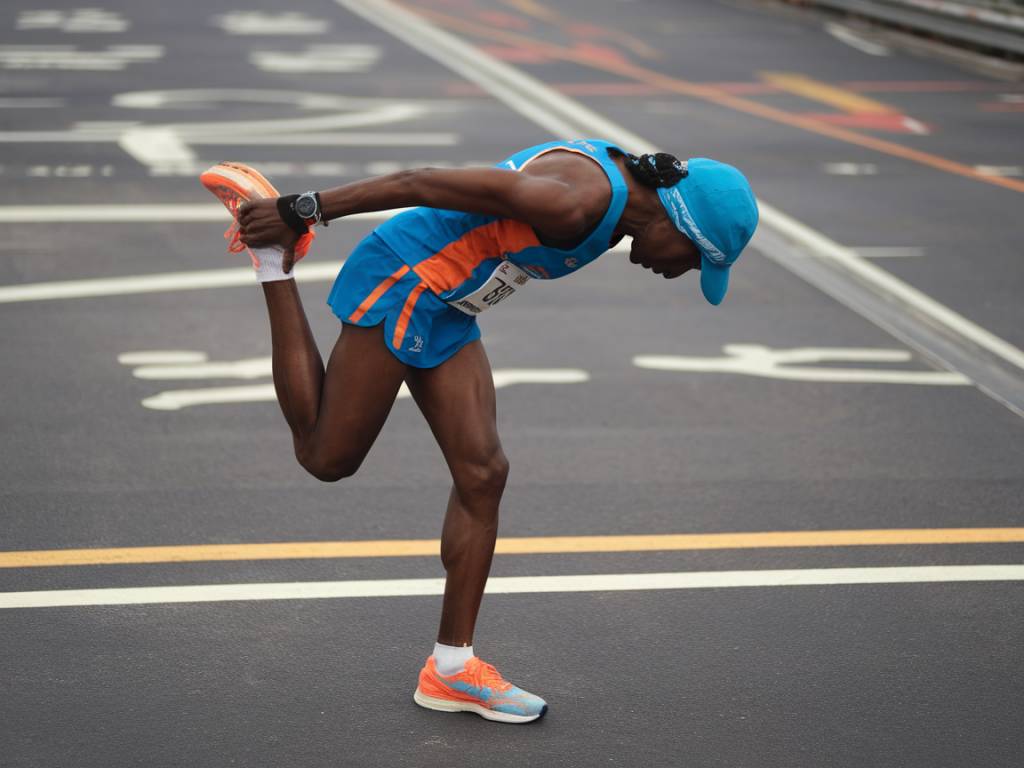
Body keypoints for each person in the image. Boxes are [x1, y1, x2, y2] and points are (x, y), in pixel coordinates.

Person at [200, 138, 758, 724]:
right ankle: (271, 261)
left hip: (451, 303)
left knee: (483, 472)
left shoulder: (618, 214)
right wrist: (302, 210)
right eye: (694, 258)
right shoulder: (573, 202)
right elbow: (421, 180)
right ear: (677, 220)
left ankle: (450, 669)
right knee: (327, 457)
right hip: (407, 276)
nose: (682, 272)